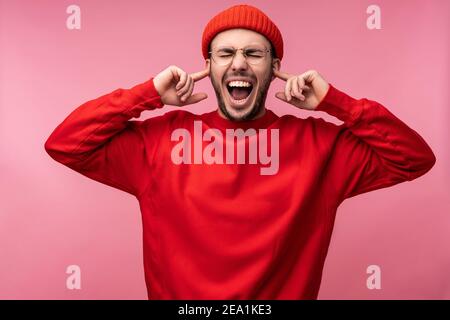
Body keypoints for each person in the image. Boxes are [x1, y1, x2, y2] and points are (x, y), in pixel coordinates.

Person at [44, 4, 436, 299]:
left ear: (275, 67)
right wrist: (145, 95)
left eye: (253, 54)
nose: (239, 64)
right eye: (225, 53)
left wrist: (337, 103)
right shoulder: (161, 141)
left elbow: (413, 158)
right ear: (209, 67)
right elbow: (65, 144)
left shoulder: (321, 146)